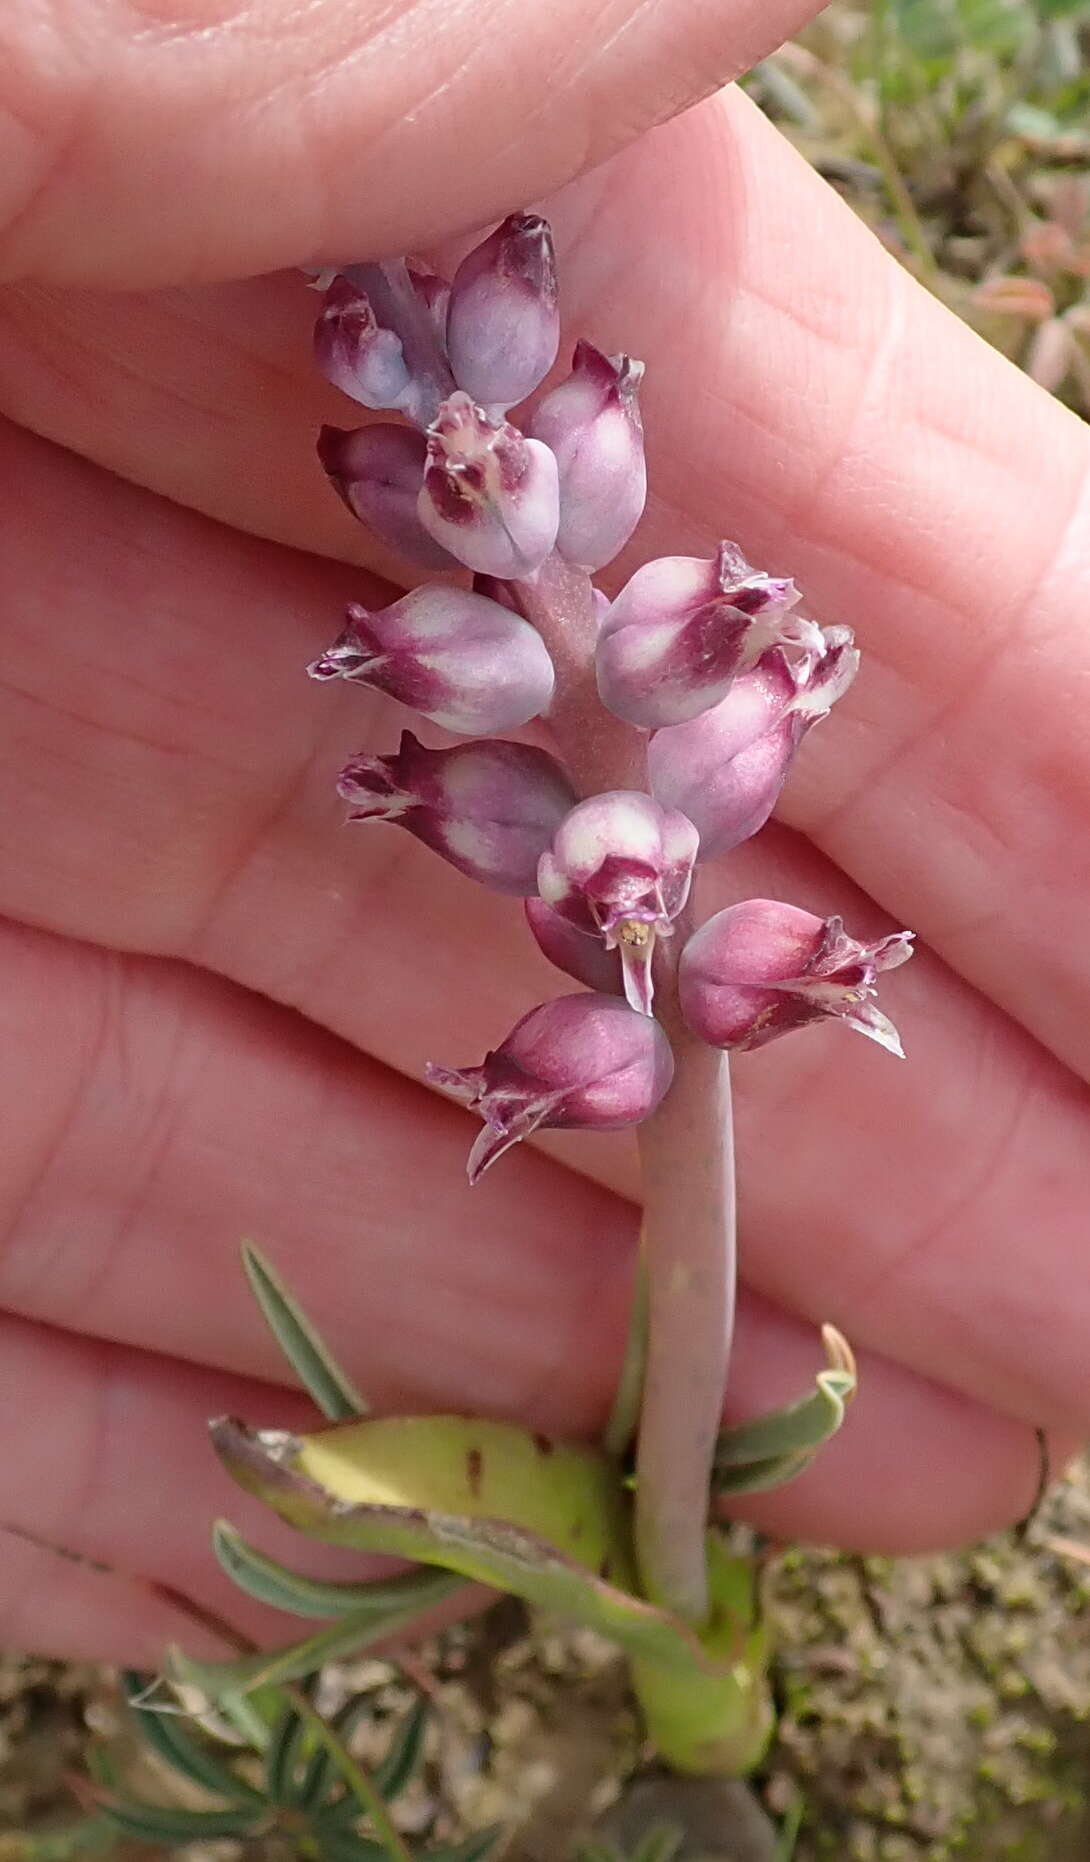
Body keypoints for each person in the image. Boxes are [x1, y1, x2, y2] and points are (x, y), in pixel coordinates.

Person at [0, 0, 1087, 1667]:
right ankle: (665, 1619)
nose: (463, 454)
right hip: (564, 819)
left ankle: (682, 1617)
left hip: (607, 837)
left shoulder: (597, 638)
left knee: (667, 1017)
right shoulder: (524, 604)